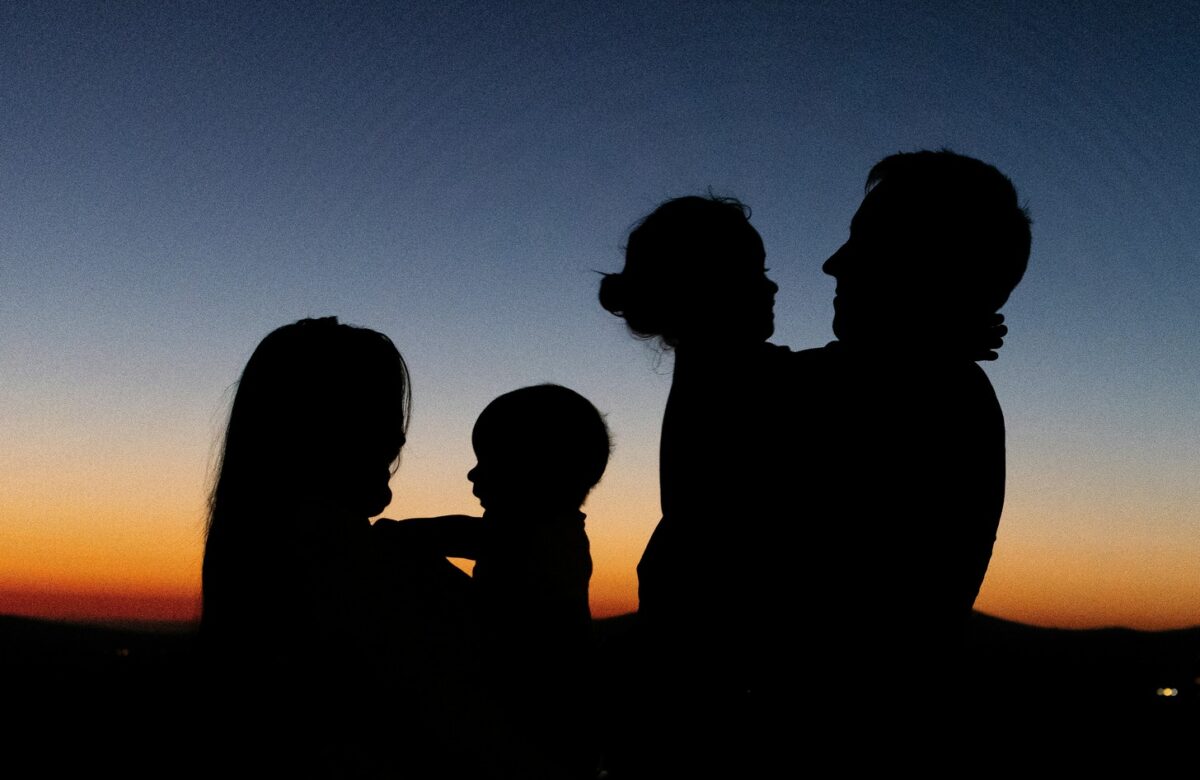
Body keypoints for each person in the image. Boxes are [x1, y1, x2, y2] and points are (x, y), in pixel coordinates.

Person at [801, 150, 1031, 722]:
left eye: (868, 242)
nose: (833, 264)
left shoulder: (898, 398)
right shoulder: (928, 386)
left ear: (926, 266)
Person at [199, 316, 474, 777]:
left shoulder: (261, 562)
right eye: (378, 411)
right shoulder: (365, 573)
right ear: (318, 427)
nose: (399, 436)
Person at [382, 384, 611, 779]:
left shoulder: (543, 535)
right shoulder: (547, 533)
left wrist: (396, 534)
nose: (473, 473)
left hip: (542, 709)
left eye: (489, 461)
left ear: (536, 471)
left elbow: (455, 534)